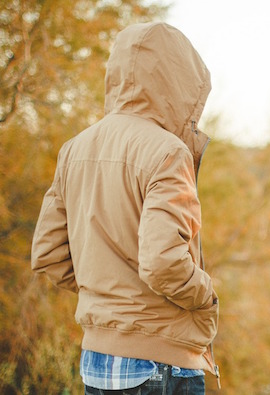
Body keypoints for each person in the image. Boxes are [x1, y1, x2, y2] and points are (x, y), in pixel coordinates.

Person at [31, 22, 219, 394]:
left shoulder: (74, 148)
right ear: (179, 80)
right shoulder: (167, 151)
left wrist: (108, 302)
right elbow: (162, 262)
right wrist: (207, 296)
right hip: (159, 364)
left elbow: (48, 255)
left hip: (96, 361)